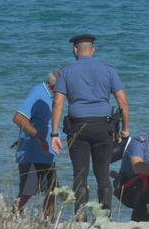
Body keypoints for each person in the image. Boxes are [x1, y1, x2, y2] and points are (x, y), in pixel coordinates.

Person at [50, 34, 129, 219]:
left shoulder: (66, 72)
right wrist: (125, 129)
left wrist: (54, 133)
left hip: (78, 127)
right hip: (103, 127)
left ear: (75, 50)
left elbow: (58, 104)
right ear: (92, 50)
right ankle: (104, 216)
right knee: (102, 173)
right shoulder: (108, 69)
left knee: (80, 174)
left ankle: (80, 216)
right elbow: (123, 102)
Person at [11, 70, 60, 219]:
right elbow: (18, 118)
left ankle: (48, 222)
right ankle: (10, 218)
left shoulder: (54, 97)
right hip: (31, 153)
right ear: (54, 86)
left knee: (53, 190)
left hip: (46, 154)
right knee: (27, 191)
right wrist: (39, 137)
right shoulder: (39, 92)